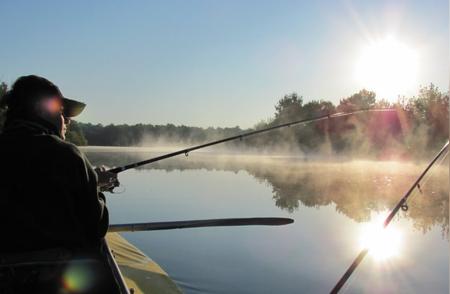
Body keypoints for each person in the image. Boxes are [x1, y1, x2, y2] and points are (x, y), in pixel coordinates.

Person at [0, 75, 119, 293]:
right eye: (61, 111)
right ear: (41, 109)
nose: (67, 120)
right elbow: (96, 226)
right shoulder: (68, 156)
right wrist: (96, 189)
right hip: (56, 282)